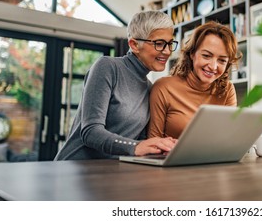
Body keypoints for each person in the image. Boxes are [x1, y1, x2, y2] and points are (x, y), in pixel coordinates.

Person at [55, 10, 178, 160]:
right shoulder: (107, 67)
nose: (167, 51)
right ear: (134, 44)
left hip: (111, 174)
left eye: (170, 44)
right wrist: (136, 147)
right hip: (73, 170)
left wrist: (161, 145)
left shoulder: (150, 88)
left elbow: (138, 141)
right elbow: (91, 131)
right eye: (159, 44)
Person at [148, 21, 242, 139]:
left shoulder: (227, 90)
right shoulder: (163, 87)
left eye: (222, 60)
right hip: (170, 157)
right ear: (192, 53)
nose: (213, 66)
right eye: (206, 56)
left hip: (213, 157)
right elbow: (153, 141)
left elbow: (227, 137)